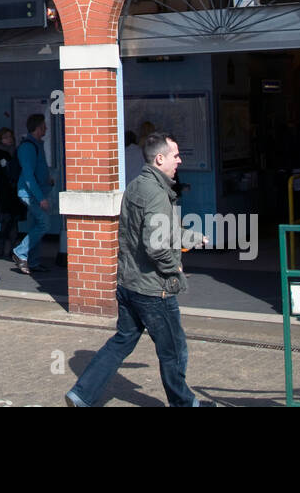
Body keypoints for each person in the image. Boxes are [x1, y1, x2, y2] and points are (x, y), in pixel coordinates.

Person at [66, 132, 199, 407]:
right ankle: (184, 404)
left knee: (123, 340)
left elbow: (146, 232)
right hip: (153, 290)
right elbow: (156, 246)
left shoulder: (137, 185)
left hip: (128, 284)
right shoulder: (157, 193)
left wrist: (190, 238)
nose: (179, 160)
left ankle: (81, 394)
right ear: (159, 158)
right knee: (173, 350)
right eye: (175, 155)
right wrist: (173, 265)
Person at [12, 114, 51, 275]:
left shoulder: (36, 144)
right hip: (30, 194)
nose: (46, 128)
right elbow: (28, 176)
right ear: (37, 127)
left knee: (35, 225)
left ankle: (33, 261)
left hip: (36, 191)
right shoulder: (28, 147)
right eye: (43, 126)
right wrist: (40, 198)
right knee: (44, 224)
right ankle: (20, 252)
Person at [0, 127, 21, 259]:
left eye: (10, 137)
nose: (9, 140)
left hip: (13, 191)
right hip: (2, 191)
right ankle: (2, 246)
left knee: (13, 220)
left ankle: (11, 247)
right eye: (6, 137)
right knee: (6, 219)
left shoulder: (15, 152)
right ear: (0, 139)